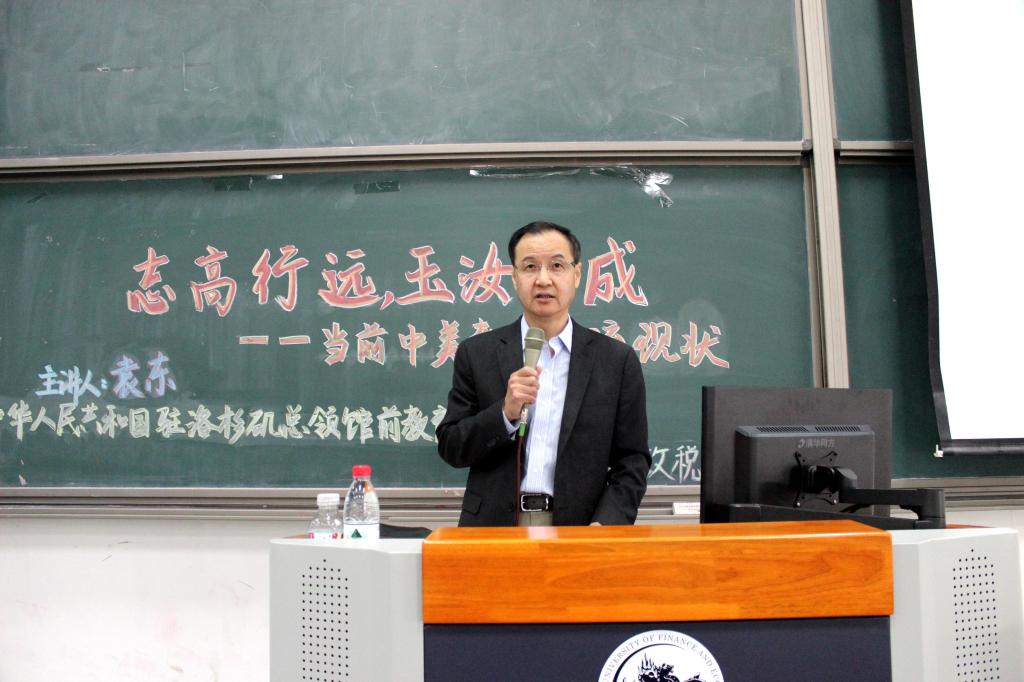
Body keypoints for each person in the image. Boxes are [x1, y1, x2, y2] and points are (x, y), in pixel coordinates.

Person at [436, 221, 651, 526]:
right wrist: (505, 413)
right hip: (494, 527)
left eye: (557, 266)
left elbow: (633, 460)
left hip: (579, 528)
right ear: (514, 277)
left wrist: (605, 525)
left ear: (577, 274)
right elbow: (452, 447)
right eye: (530, 267)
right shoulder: (477, 353)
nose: (543, 279)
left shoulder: (616, 361)